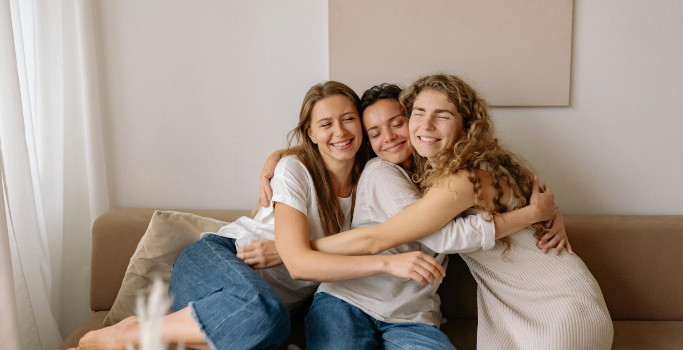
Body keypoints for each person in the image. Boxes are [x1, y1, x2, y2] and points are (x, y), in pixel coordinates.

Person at [69, 81, 447, 350]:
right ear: (309, 134)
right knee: (263, 315)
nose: (340, 131)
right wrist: (386, 265)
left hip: (264, 313)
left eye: (349, 119)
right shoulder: (296, 169)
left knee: (267, 325)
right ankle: (132, 332)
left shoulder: (371, 179)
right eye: (326, 123)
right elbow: (300, 264)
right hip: (218, 261)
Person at [254, 83, 569, 349]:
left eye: (396, 122)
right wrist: (529, 216)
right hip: (347, 301)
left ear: (415, 119)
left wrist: (550, 212)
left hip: (413, 315)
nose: (388, 137)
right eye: (374, 132)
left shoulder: (445, 174)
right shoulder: (380, 171)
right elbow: (443, 236)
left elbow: (514, 188)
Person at [320, 74, 614, 349]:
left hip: (558, 305)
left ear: (466, 124)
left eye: (442, 116)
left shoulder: (462, 177)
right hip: (527, 302)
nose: (425, 125)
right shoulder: (441, 171)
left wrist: (298, 250)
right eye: (419, 114)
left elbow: (433, 236)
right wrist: (534, 214)